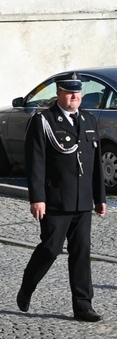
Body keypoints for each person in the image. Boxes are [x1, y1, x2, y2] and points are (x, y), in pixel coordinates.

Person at [17, 77, 106, 322]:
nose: (74, 97)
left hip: (82, 201)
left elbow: (95, 164)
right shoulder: (43, 121)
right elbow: (36, 163)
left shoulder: (88, 120)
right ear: (59, 93)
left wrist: (100, 197)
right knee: (50, 248)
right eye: (69, 93)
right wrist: (37, 198)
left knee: (82, 252)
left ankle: (83, 305)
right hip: (55, 199)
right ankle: (28, 285)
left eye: (77, 93)